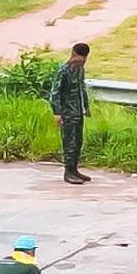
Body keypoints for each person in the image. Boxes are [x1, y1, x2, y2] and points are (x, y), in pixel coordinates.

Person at [50, 43, 93, 185]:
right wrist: (57, 112)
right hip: (67, 113)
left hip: (78, 111)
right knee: (69, 142)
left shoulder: (80, 70)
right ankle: (68, 172)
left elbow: (82, 88)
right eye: (81, 59)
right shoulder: (63, 71)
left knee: (78, 141)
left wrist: (86, 106)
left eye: (84, 59)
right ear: (74, 55)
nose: (83, 62)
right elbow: (55, 93)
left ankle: (74, 169)